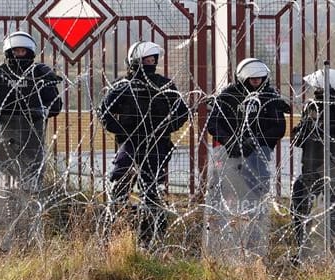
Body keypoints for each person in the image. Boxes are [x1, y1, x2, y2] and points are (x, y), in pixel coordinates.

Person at [97, 41, 189, 251]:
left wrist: (165, 128)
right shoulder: (123, 85)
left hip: (157, 143)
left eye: (153, 59)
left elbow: (182, 112)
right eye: (146, 60)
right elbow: (105, 111)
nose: (150, 63)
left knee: (152, 189)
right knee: (120, 179)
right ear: (135, 61)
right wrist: (122, 130)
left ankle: (150, 237)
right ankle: (119, 230)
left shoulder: (164, 84)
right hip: (130, 142)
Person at [205, 57, 288, 262]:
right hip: (228, 155)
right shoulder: (228, 96)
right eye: (252, 79)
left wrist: (256, 141)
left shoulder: (269, 96)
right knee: (226, 198)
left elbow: (278, 127)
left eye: (260, 78)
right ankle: (224, 243)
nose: (256, 82)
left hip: (257, 156)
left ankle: (253, 243)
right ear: (243, 77)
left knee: (255, 199)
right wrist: (229, 140)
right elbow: (213, 123)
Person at [0, 31, 63, 193]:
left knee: (32, 176)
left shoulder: (39, 73)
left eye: (22, 51)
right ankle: (9, 205)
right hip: (5, 129)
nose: (19, 55)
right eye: (15, 51)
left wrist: (42, 111)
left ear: (29, 52)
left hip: (33, 131)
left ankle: (32, 207)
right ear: (9, 52)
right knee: (6, 171)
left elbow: (55, 104)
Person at [291, 68, 335, 260]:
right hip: (310, 169)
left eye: (318, 89)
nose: (315, 92)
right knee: (301, 206)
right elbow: (297, 140)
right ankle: (303, 249)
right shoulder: (311, 109)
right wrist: (309, 124)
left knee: (329, 213)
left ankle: (328, 252)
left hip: (330, 170)